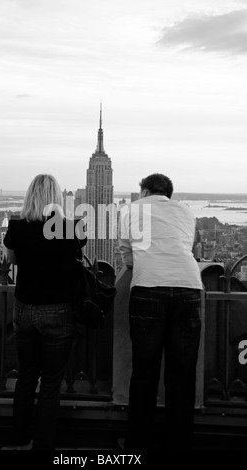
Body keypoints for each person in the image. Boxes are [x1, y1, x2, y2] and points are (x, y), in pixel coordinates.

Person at [119, 173, 203, 450]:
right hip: (188, 288)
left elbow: (127, 253)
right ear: (169, 193)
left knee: (145, 370)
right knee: (182, 372)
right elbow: (187, 247)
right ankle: (179, 442)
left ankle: (137, 442)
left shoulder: (131, 209)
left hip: (148, 289)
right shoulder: (186, 212)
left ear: (143, 191)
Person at [3, 173, 86, 451]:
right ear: (57, 199)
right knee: (51, 381)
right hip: (58, 311)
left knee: (26, 376)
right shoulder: (71, 228)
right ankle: (43, 444)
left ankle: (18, 437)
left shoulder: (16, 228)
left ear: (30, 197)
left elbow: (12, 259)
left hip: (25, 309)